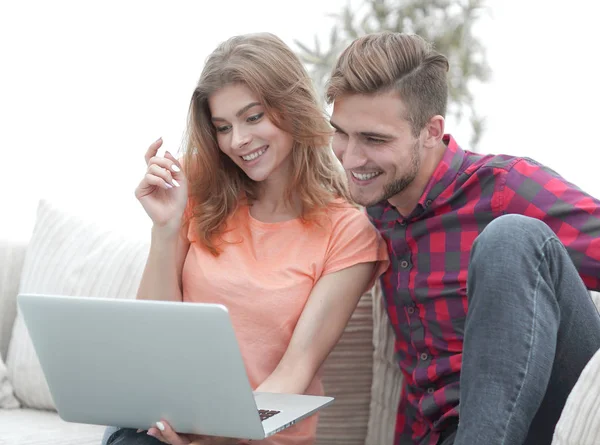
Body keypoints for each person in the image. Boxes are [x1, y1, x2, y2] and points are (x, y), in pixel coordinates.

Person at [102, 32, 388, 445]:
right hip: (166, 428)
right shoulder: (198, 187)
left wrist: (210, 438)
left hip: (257, 436)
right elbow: (153, 337)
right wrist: (164, 230)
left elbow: (295, 371)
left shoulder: (348, 231)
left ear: (291, 107)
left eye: (253, 118)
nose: (238, 141)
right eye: (223, 127)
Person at [326, 31, 600, 445]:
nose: (350, 157)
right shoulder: (368, 214)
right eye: (340, 133)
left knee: (510, 238)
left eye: (374, 139)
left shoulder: (508, 186)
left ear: (432, 131)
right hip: (440, 434)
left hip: (546, 419)